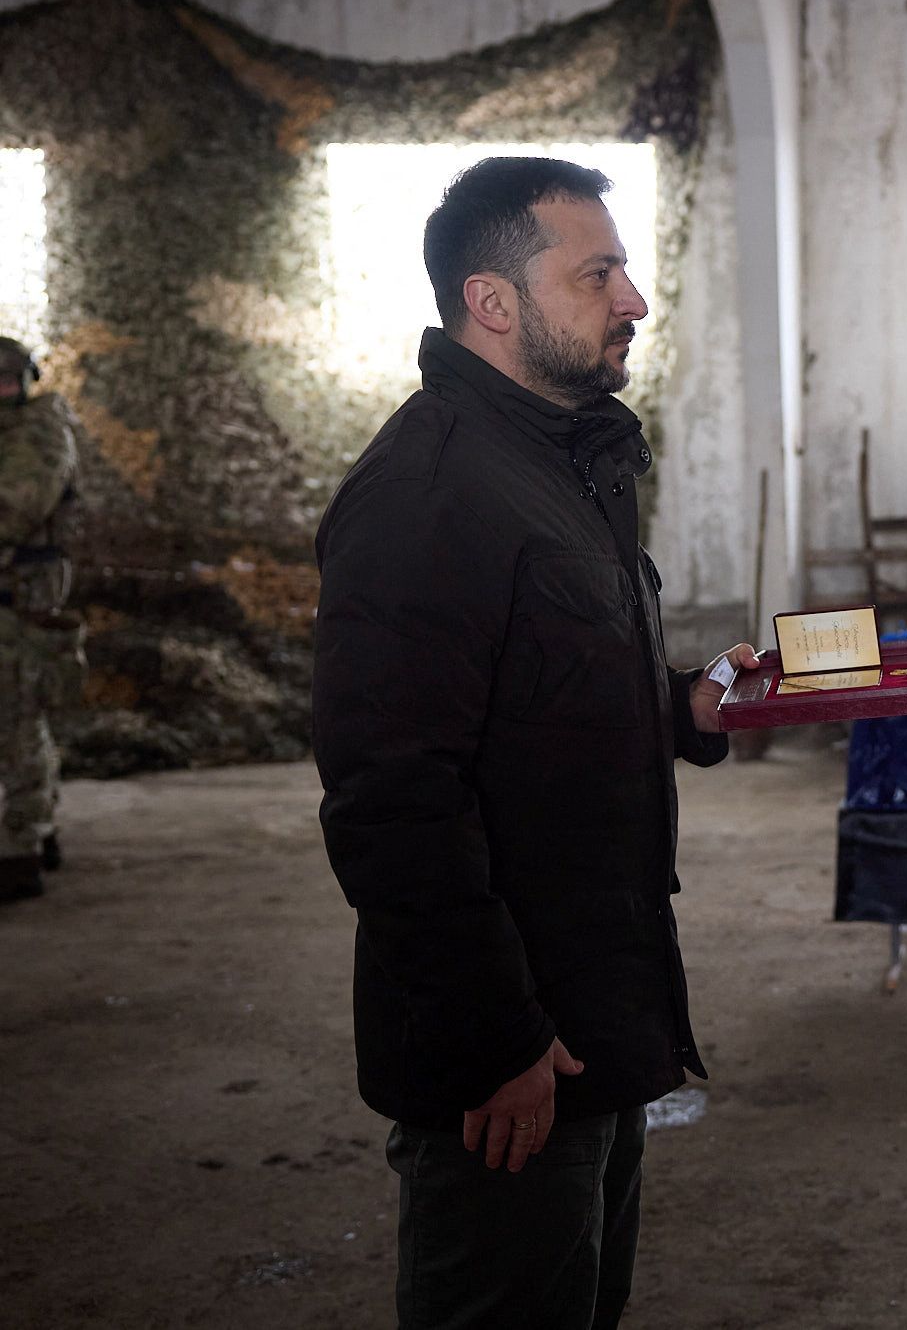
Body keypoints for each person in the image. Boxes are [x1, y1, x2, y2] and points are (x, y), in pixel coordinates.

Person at [313, 157, 757, 1330]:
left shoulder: (560, 460)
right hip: (512, 1052)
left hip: (593, 1010)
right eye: (597, 271)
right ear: (493, 302)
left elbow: (540, 690)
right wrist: (495, 1041)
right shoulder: (432, 489)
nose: (633, 299)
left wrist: (683, 707)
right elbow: (391, 800)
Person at [0, 336, 82, 904]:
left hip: (20, 599)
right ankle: (38, 826)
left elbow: (18, 506)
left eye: (10, 380)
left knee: (17, 719)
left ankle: (20, 846)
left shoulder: (40, 431)